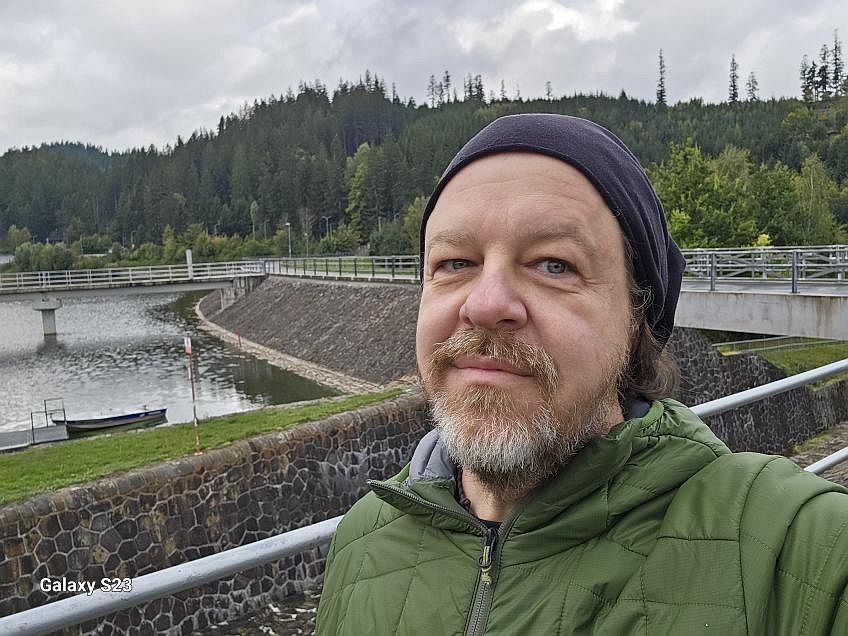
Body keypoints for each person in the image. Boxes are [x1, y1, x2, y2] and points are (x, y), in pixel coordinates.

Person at [315, 114, 848, 635]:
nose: (485, 304)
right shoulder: (363, 539)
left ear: (637, 316)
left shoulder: (798, 549)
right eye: (454, 263)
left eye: (554, 264)